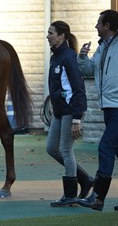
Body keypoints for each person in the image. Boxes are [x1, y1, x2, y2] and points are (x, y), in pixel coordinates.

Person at [46, 20, 93, 207]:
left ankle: (70, 195)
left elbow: (78, 89)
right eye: (48, 33)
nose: (48, 36)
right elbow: (59, 86)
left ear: (62, 36)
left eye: (51, 33)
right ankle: (86, 179)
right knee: (51, 148)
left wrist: (76, 119)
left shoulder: (68, 57)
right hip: (59, 111)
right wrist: (53, 103)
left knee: (66, 150)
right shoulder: (55, 56)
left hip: (70, 111)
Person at [77, 9, 118, 211]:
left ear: (107, 26)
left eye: (99, 23)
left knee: (105, 147)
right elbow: (89, 71)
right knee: (115, 149)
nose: (96, 26)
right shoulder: (102, 47)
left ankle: (98, 197)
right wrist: (83, 58)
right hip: (109, 106)